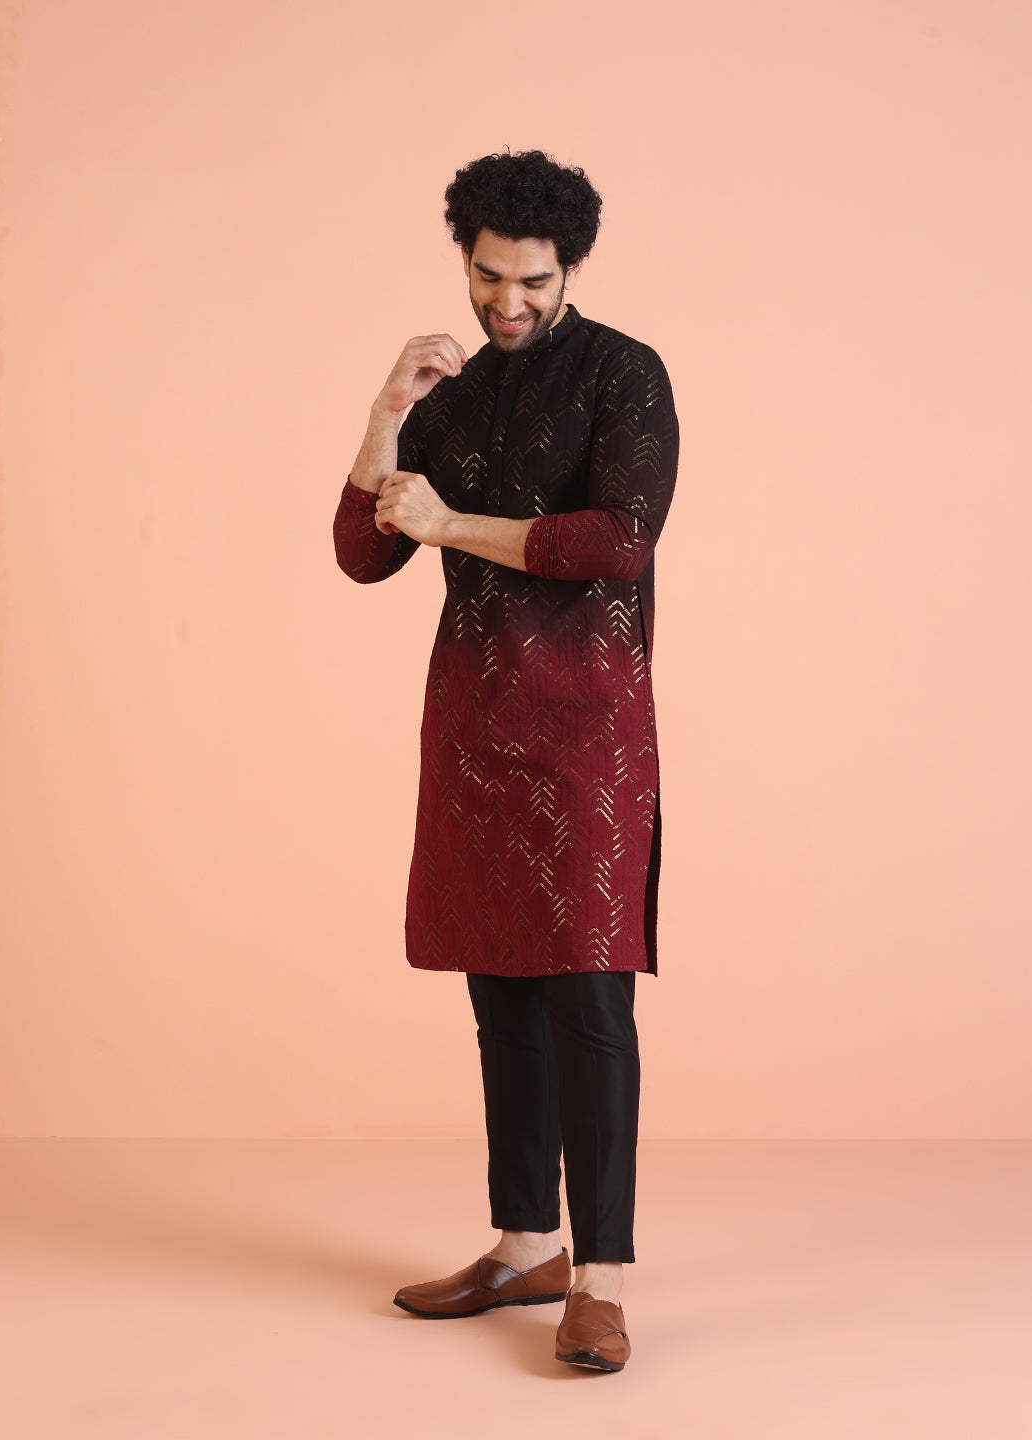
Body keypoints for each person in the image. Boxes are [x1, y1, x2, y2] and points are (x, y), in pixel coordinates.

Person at [332, 149, 679, 1372]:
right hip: (475, 728)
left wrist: (452, 524)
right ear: (466, 261)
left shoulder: (624, 374)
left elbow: (617, 540)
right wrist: (386, 412)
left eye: (532, 280)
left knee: (590, 1000)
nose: (509, 302)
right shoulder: (454, 392)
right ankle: (525, 1241)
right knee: (501, 998)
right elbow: (363, 553)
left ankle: (602, 1280)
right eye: (488, 277)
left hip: (586, 731)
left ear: (570, 265)